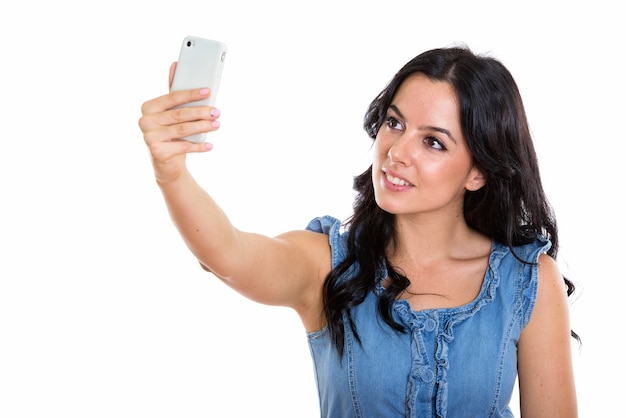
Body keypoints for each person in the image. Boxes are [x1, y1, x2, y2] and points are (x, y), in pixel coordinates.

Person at [138, 45, 578, 417]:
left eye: (433, 142)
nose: (397, 151)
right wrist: (171, 174)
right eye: (395, 122)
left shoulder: (528, 281)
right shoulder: (329, 263)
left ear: (478, 172)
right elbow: (230, 255)